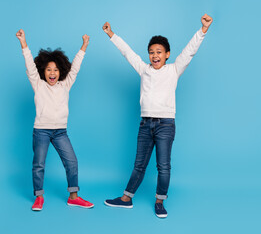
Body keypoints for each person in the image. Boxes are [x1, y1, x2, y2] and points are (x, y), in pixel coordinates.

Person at [102, 14, 213, 218]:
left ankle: (160, 201)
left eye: (159, 52)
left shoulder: (174, 70)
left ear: (167, 54)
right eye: (151, 52)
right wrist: (111, 34)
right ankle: (126, 199)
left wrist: (202, 30)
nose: (155, 55)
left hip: (165, 125)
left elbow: (189, 52)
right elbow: (127, 53)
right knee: (139, 165)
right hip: (145, 125)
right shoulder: (144, 70)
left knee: (163, 166)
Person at [16, 29, 94, 211]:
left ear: (61, 71)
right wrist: (23, 43)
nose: (52, 73)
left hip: (60, 131)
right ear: (43, 71)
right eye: (49, 70)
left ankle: (73, 197)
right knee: (39, 164)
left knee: (72, 162)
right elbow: (29, 65)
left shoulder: (65, 85)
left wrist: (83, 46)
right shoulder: (38, 83)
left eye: (56, 70)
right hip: (41, 130)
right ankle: (39, 197)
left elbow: (75, 67)